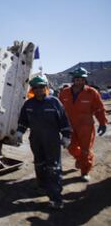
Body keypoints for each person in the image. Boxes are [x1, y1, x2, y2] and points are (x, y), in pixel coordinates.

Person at [16, 76, 72, 209]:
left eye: (41, 87)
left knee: (53, 168)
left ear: (46, 88)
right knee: (39, 164)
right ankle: (42, 186)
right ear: (32, 90)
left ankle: (56, 198)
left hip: (52, 140)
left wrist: (66, 136)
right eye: (36, 88)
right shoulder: (28, 104)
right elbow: (23, 121)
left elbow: (64, 121)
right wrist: (19, 132)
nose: (39, 90)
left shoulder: (54, 102)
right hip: (35, 139)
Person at [59, 67, 108, 182]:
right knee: (70, 147)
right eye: (77, 78)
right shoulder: (64, 92)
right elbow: (59, 109)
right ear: (73, 79)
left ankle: (85, 171)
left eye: (82, 79)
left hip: (86, 126)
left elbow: (99, 109)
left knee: (86, 149)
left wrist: (102, 123)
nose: (79, 81)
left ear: (85, 80)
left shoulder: (92, 92)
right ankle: (80, 160)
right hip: (69, 126)